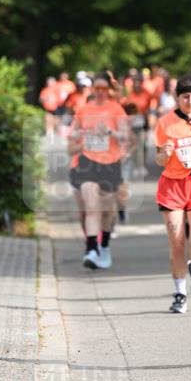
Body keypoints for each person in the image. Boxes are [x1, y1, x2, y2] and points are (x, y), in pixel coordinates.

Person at [155, 74, 191, 314]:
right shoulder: (165, 123)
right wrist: (165, 154)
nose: (190, 100)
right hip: (173, 186)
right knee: (176, 242)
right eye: (185, 96)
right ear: (177, 98)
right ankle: (180, 293)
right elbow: (159, 160)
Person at [68, 71, 130, 269]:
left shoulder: (117, 109)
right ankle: (91, 249)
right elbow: (71, 139)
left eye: (104, 88)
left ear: (109, 90)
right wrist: (82, 134)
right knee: (91, 206)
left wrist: (109, 132)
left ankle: (104, 246)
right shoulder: (83, 110)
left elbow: (125, 135)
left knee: (107, 212)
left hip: (111, 163)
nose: (101, 92)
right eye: (97, 88)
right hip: (87, 163)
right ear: (92, 89)